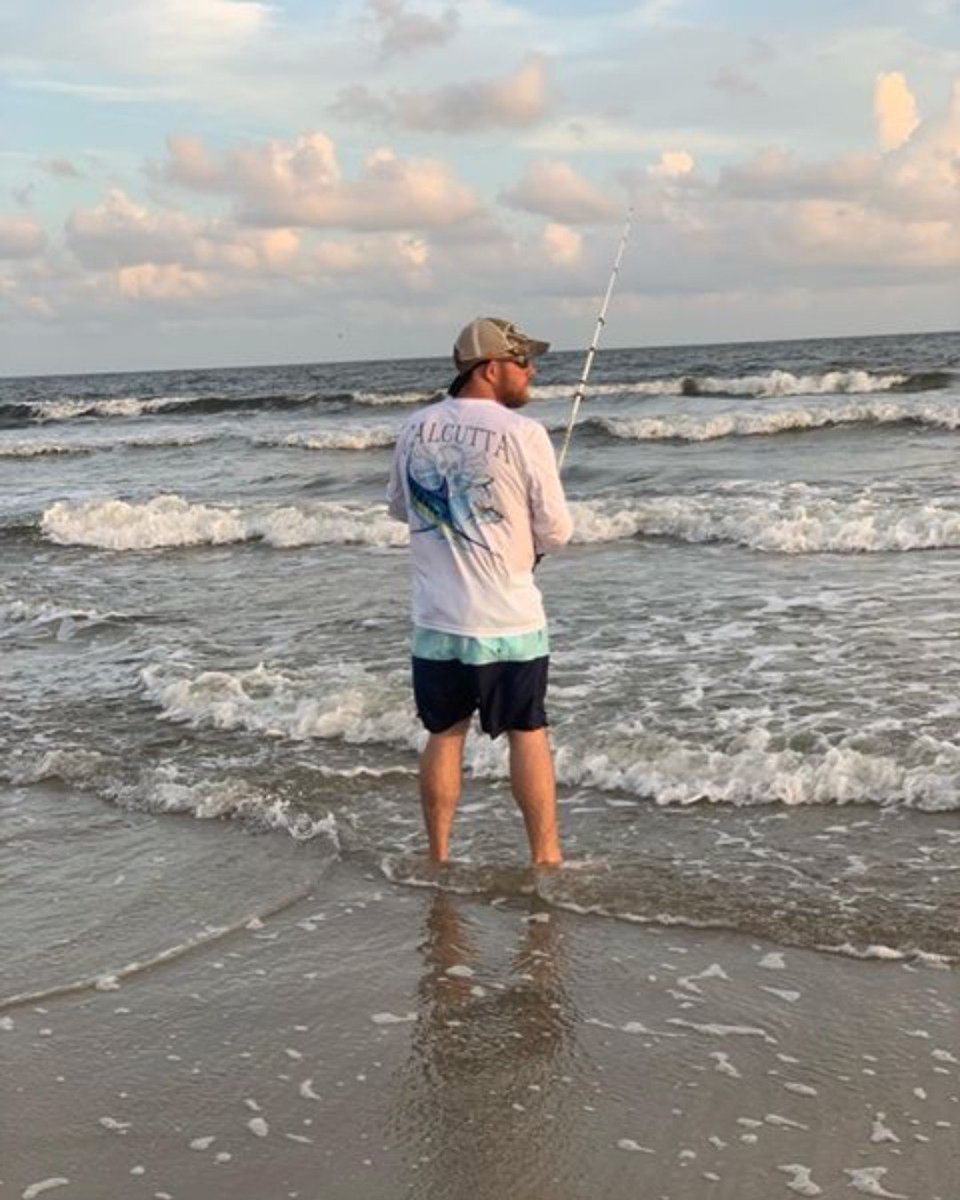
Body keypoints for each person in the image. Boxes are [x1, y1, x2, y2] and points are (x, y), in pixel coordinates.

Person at [386, 316, 573, 865]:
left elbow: (402, 507)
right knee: (527, 731)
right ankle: (546, 857)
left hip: (437, 621)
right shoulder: (525, 434)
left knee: (444, 734)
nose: (531, 371)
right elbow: (557, 534)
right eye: (522, 363)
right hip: (508, 622)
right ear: (491, 369)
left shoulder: (414, 427)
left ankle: (438, 856)